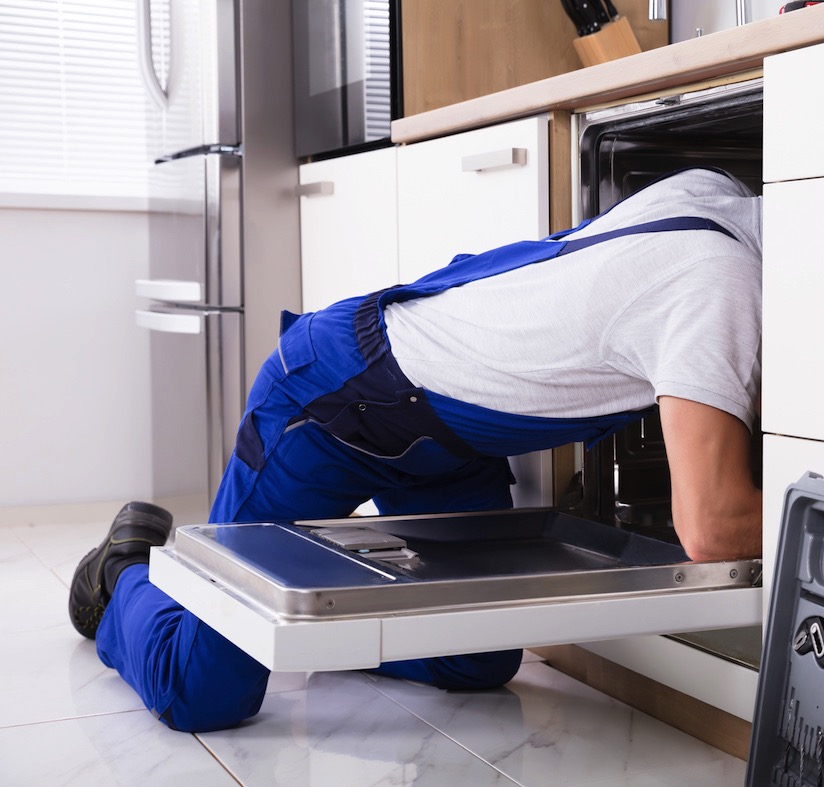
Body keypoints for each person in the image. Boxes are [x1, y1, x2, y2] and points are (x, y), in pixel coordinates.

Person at [67, 167, 763, 733]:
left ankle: (303, 641)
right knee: (203, 694)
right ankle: (125, 571)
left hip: (447, 442)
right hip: (330, 400)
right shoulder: (717, 286)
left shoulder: (721, 194)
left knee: (477, 660)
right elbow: (711, 528)